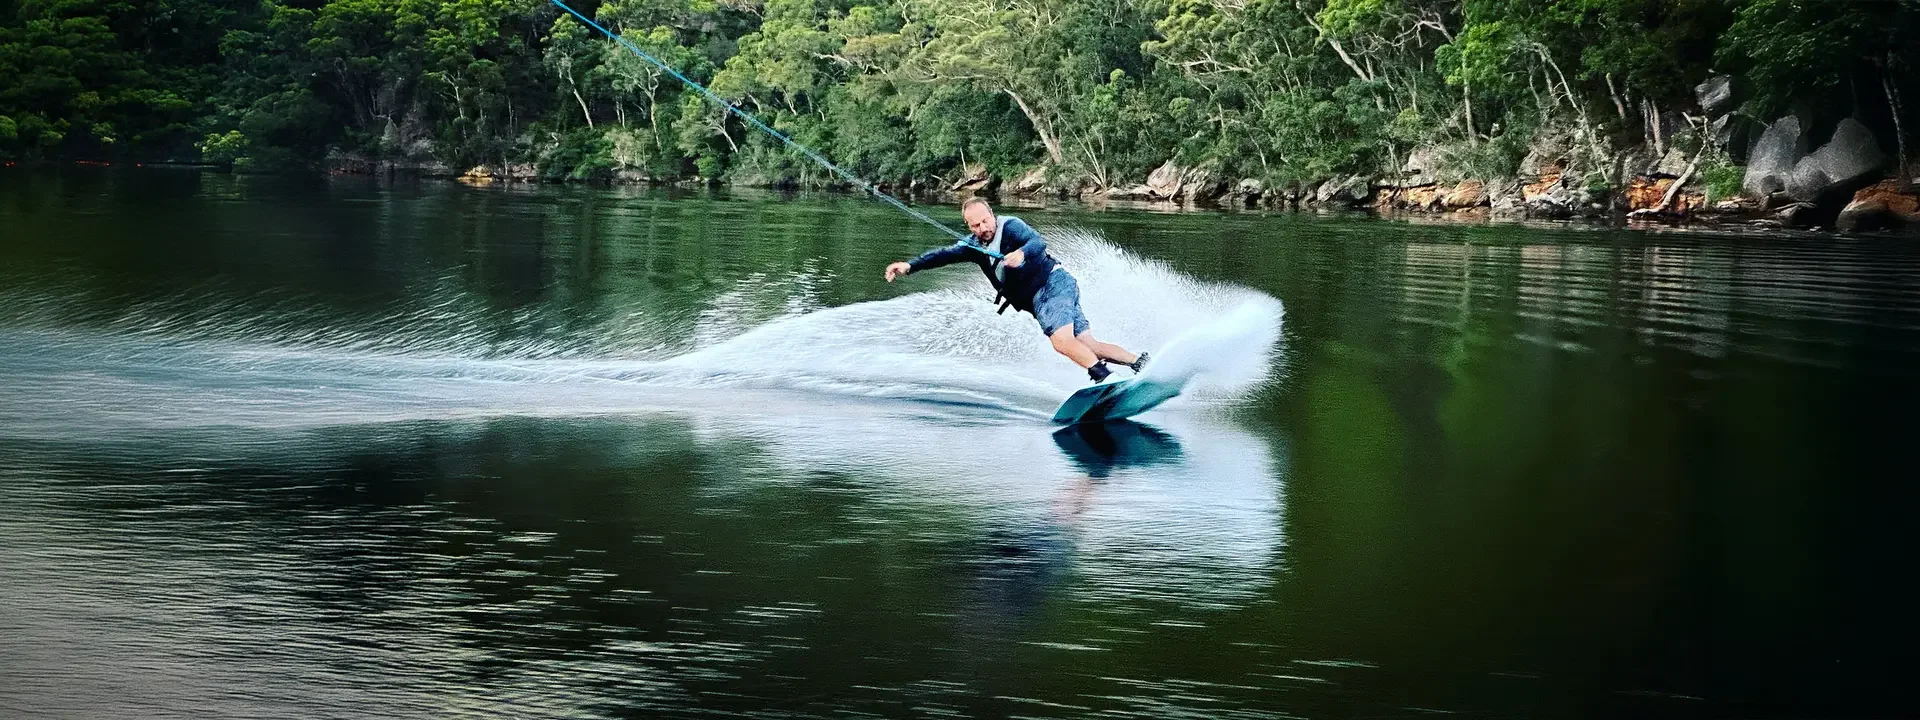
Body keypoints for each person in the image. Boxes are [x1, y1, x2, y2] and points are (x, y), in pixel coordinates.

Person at [884, 198, 1147, 383]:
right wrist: (909, 266)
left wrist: (1021, 254)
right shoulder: (973, 246)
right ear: (969, 226)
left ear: (991, 214)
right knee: (1087, 345)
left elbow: (1037, 242)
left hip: (1052, 285)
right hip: (1045, 296)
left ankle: (1105, 378)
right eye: (975, 226)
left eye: (985, 221)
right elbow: (943, 255)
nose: (983, 229)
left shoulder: (1011, 226)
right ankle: (1139, 363)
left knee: (1061, 341)